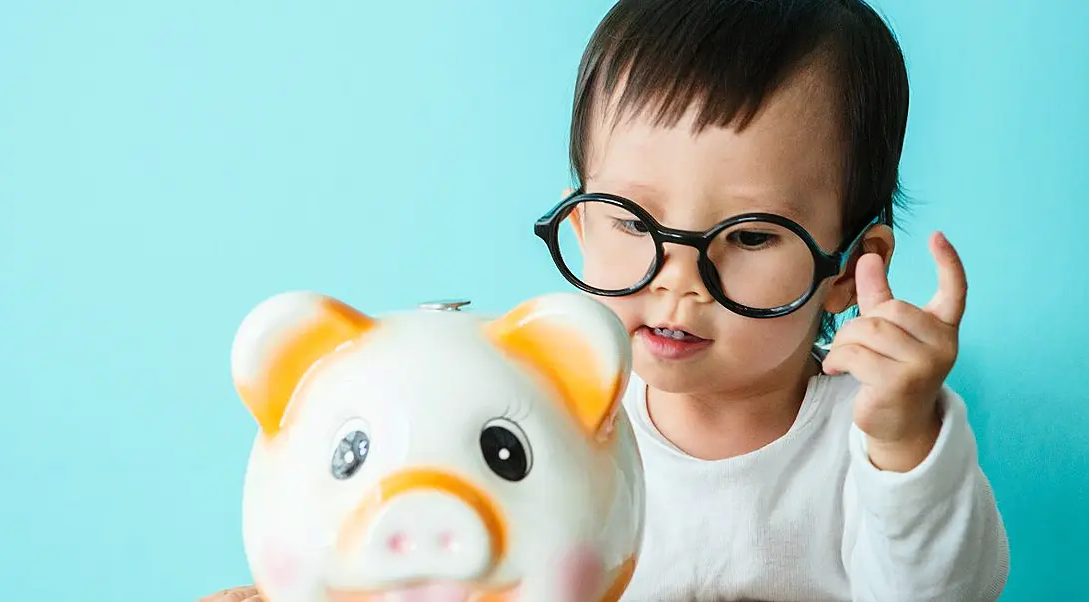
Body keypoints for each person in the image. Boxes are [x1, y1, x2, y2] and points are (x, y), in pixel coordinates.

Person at [202, 1, 1009, 600]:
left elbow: (946, 592)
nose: (677, 279)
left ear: (848, 267)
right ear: (580, 222)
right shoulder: (541, 422)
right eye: (631, 221)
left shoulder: (873, 437)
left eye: (753, 236)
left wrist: (905, 438)